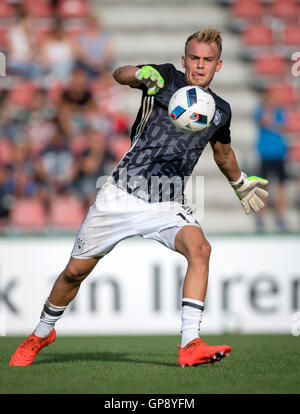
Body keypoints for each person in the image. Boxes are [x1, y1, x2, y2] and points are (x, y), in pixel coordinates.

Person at [10, 28, 269, 368]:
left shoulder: (220, 110)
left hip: (167, 200)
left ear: (218, 66)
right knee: (74, 273)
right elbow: (121, 75)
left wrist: (239, 183)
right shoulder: (165, 78)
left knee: (201, 249)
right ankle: (41, 333)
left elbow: (223, 154)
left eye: (208, 60)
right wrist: (138, 73)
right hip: (121, 193)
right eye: (194, 58)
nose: (200, 65)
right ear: (184, 60)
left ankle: (190, 342)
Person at [253, 88, 288, 232]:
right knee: (263, 187)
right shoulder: (260, 111)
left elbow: (284, 128)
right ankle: (261, 217)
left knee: (280, 187)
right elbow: (266, 122)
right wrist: (268, 109)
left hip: (279, 153)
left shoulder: (279, 111)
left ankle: (279, 217)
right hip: (265, 154)